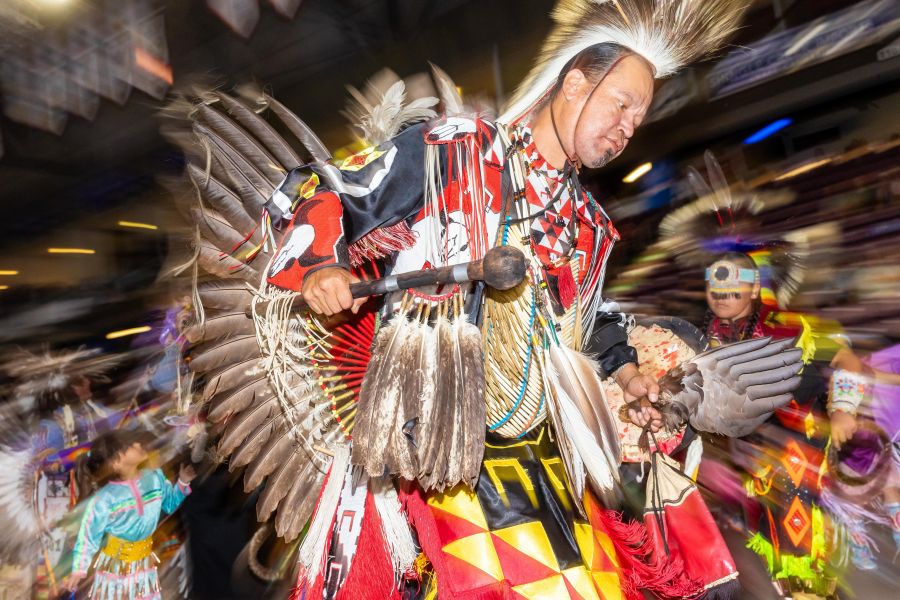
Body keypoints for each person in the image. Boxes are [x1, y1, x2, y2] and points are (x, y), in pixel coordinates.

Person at [174, 2, 800, 598]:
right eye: (620, 104)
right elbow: (323, 188)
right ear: (576, 83)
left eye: (637, 118)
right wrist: (321, 265)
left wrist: (630, 374)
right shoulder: (455, 151)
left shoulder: (587, 224)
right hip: (443, 450)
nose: (625, 129)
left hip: (542, 455)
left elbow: (585, 327)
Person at [702, 250, 874, 598]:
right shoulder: (708, 336)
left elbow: (847, 361)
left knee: (801, 556)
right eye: (715, 290)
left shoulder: (790, 330)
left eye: (733, 289)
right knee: (770, 555)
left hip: (799, 457)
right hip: (755, 461)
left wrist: (843, 408)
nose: (722, 298)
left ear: (754, 291)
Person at [63, 430, 195, 599]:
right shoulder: (105, 498)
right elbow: (89, 536)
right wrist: (79, 569)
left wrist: (183, 482)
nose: (139, 444)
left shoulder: (154, 478)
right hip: (115, 572)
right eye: (130, 446)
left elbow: (169, 504)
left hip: (144, 566)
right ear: (116, 462)